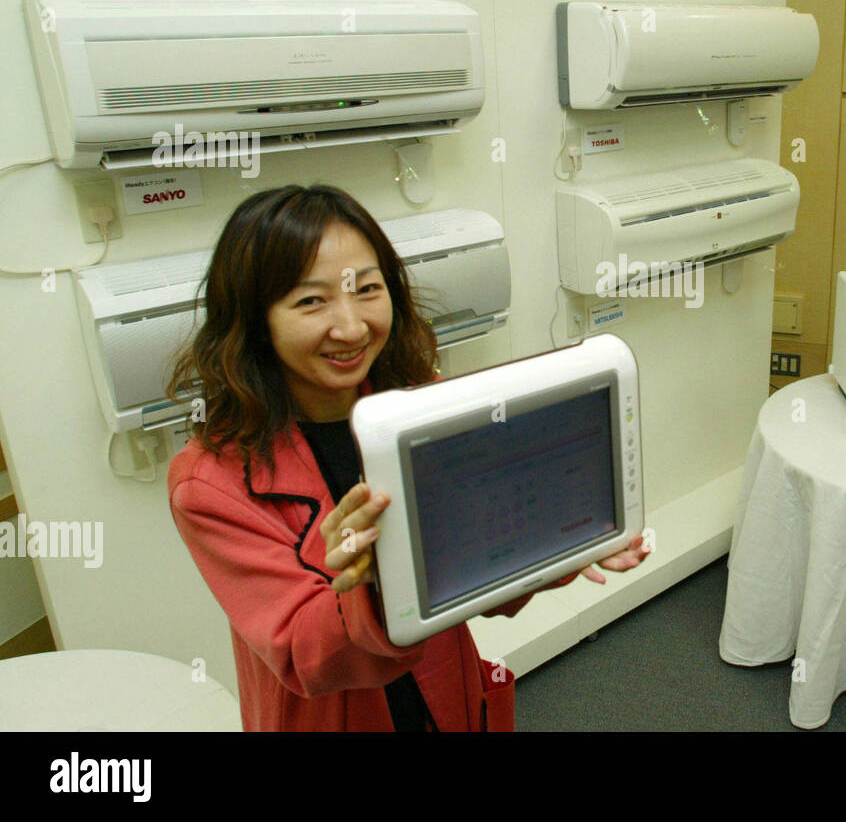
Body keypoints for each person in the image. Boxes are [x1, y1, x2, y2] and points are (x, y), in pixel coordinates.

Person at [167, 184, 648, 731]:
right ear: (255, 321)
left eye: (367, 290)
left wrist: (565, 539)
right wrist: (371, 581)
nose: (351, 327)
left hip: (442, 691)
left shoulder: (423, 406)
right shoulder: (210, 483)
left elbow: (480, 571)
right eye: (310, 301)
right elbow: (303, 653)